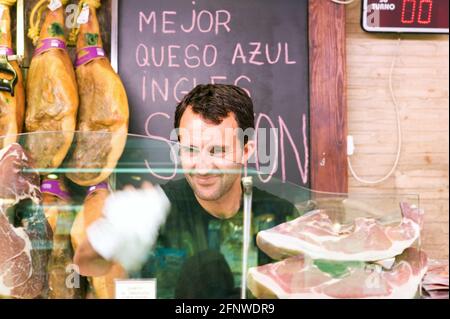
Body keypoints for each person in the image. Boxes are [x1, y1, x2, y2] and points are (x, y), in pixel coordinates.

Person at [75, 84, 299, 298]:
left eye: (217, 150)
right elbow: (84, 264)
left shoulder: (280, 217)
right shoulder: (157, 207)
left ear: (246, 150)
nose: (202, 166)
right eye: (190, 150)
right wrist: (111, 232)